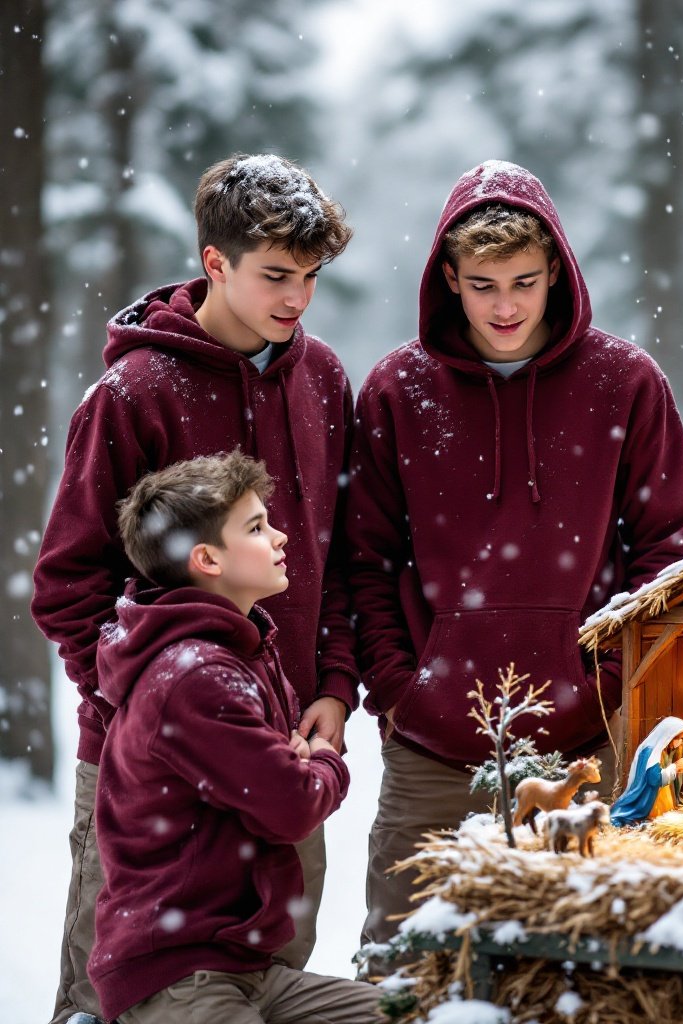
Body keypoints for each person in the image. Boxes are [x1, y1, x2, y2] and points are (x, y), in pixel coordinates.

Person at [347, 160, 683, 956]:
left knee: (586, 971)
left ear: (557, 273)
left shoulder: (625, 383)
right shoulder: (398, 391)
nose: (504, 306)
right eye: (482, 285)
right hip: (430, 749)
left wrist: (608, 687)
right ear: (449, 278)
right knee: (402, 969)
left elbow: (669, 550)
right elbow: (365, 560)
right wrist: (402, 690)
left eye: (524, 282)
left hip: (589, 747)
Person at [32, 153, 357, 1024]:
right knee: (113, 1000)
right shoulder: (134, 393)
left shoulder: (323, 381)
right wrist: (139, 705)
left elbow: (343, 558)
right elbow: (68, 583)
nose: (298, 298)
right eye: (276, 276)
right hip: (146, 770)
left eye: (312, 277)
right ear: (215, 263)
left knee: (270, 986)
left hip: (282, 749)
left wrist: (331, 686)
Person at [86, 452, 382, 1024]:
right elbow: (292, 804)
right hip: (177, 977)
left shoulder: (238, 648)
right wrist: (323, 760)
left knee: (414, 1014)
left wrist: (298, 768)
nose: (280, 536)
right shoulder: (196, 674)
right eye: (256, 527)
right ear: (207, 559)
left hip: (247, 968)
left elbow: (278, 786)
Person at [610, 717, 683, 826]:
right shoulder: (651, 751)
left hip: (655, 799)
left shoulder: (660, 750)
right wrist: (675, 767)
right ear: (669, 734)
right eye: (680, 738)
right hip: (644, 801)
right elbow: (654, 779)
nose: (681, 743)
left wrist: (676, 769)